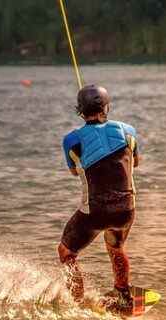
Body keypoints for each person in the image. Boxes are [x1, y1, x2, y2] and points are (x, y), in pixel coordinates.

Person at [58, 84, 141, 306]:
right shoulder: (128, 131)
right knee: (115, 246)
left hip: (95, 212)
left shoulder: (71, 140)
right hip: (126, 210)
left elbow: (74, 171)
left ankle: (76, 302)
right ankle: (123, 294)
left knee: (66, 251)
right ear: (107, 107)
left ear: (80, 111)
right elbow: (136, 162)